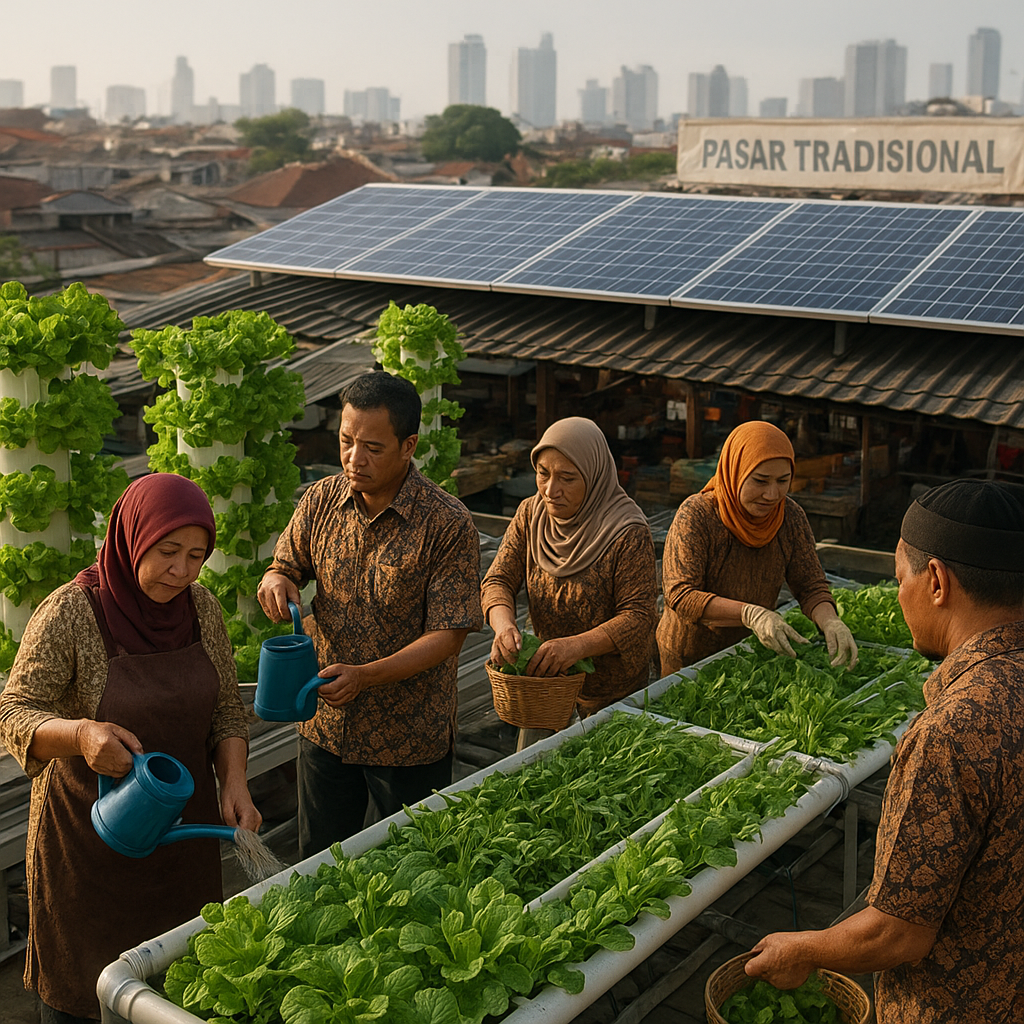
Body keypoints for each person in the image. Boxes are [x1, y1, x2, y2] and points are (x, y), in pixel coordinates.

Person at [745, 479, 1024, 1023]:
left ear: (937, 581)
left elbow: (899, 933)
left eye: (900, 579)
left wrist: (801, 949)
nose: (899, 596)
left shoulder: (952, 730)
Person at [0, 473, 260, 1024]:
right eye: (167, 552)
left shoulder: (201, 609)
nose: (182, 571)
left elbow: (224, 711)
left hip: (182, 844)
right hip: (88, 848)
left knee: (179, 991)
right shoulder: (72, 612)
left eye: (196, 556)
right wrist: (81, 735)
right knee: (85, 995)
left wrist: (234, 782)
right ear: (132, 538)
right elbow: (14, 711)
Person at [257, 371, 482, 858]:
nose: (354, 459)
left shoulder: (447, 523)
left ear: (409, 445)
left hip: (407, 738)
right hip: (324, 724)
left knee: (412, 866)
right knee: (319, 863)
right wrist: (277, 581)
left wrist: (365, 676)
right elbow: (285, 564)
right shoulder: (321, 501)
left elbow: (447, 635)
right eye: (345, 441)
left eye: (373, 448)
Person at [481, 417, 658, 719]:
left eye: (567, 478)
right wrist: (504, 626)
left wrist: (577, 648)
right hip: (546, 685)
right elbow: (498, 580)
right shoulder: (531, 514)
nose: (551, 490)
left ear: (594, 476)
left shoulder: (627, 531)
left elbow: (638, 617)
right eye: (543, 474)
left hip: (611, 694)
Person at [657, 421, 857, 673]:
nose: (772, 495)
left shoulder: (790, 517)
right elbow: (681, 595)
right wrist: (750, 614)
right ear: (735, 472)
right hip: (690, 657)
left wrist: (829, 620)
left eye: (783, 481)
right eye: (760, 481)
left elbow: (809, 585)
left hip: (753, 652)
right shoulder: (697, 515)